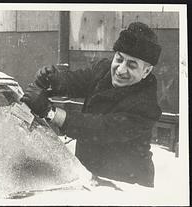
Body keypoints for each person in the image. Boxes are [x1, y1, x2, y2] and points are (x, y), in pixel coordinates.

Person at [20, 22, 162, 187]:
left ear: (146, 71)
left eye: (132, 65)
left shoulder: (145, 108)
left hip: (125, 184)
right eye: (119, 59)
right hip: (87, 176)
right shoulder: (103, 70)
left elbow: (99, 128)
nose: (121, 70)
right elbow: (79, 80)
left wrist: (49, 111)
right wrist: (53, 79)